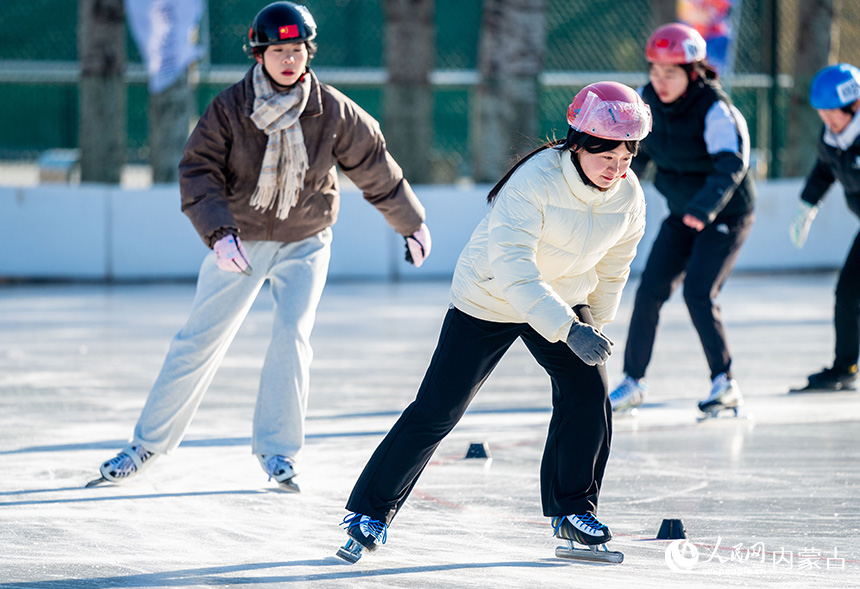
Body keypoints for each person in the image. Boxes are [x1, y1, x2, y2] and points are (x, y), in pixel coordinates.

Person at [88, 1, 431, 492]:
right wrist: (219, 233)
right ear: (258, 53)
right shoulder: (230, 109)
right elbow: (198, 171)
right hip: (240, 240)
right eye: (278, 50)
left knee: (293, 336)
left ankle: (278, 452)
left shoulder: (329, 109)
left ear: (308, 53)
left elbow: (374, 166)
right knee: (199, 339)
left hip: (305, 241)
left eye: (297, 49)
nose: (289, 59)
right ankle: (146, 444)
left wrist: (411, 223)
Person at [335, 81, 652, 564]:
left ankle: (572, 511)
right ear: (578, 144)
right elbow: (513, 269)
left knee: (589, 396)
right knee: (439, 408)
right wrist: (569, 330)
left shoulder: (628, 197)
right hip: (491, 295)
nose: (617, 169)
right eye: (607, 157)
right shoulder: (535, 181)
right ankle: (369, 513)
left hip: (564, 298)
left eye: (627, 159)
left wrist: (595, 327)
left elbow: (614, 269)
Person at [608, 23, 756, 417]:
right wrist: (613, 193)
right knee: (650, 289)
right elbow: (636, 157)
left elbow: (732, 164)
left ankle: (725, 383)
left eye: (670, 73)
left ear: (693, 72)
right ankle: (632, 382)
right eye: (654, 71)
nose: (660, 81)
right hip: (681, 212)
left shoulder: (715, 108)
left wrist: (703, 208)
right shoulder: (644, 102)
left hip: (725, 213)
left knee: (698, 293)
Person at [788, 63, 860, 392]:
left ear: (855, 104)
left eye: (833, 112)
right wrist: (807, 205)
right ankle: (845, 366)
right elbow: (824, 169)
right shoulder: (833, 136)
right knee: (847, 294)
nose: (828, 120)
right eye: (822, 112)